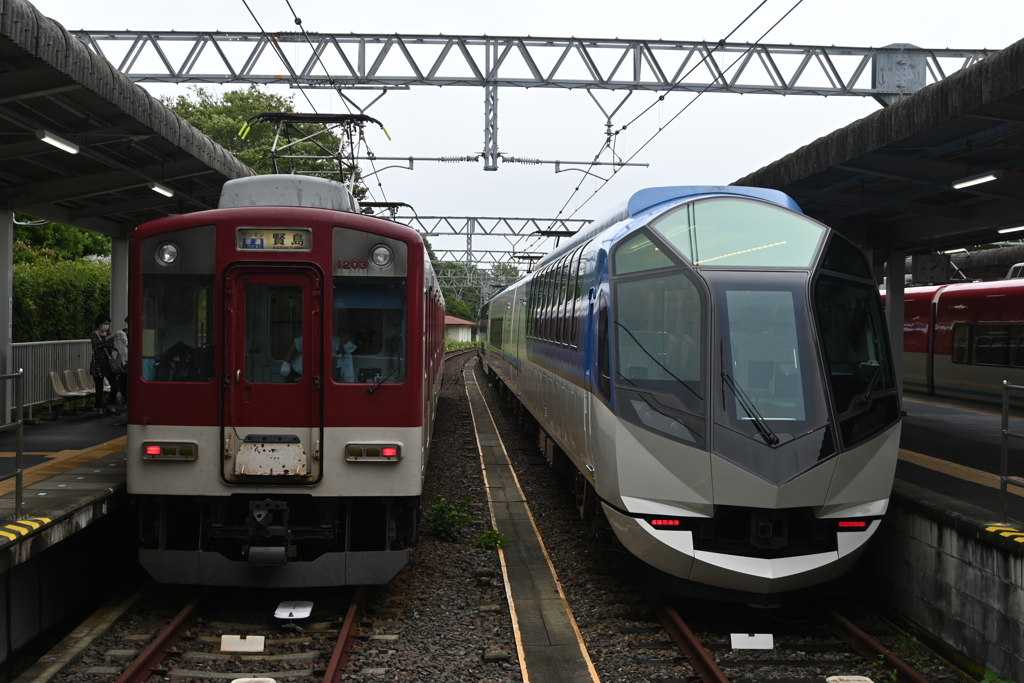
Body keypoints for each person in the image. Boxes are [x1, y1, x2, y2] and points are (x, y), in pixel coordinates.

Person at [281, 332, 356, 383]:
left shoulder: (347, 356)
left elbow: (349, 378)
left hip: (324, 382)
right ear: (345, 337)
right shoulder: (324, 338)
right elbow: (296, 344)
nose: (352, 345)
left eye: (355, 344)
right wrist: (286, 364)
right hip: (298, 375)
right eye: (351, 341)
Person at [90, 313, 122, 416]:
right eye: (105, 323)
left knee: (115, 385)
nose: (106, 326)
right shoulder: (94, 335)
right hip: (98, 363)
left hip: (108, 363)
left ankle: (110, 405)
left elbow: (114, 348)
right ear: (99, 324)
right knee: (99, 387)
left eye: (108, 324)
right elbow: (97, 346)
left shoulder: (109, 335)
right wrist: (108, 338)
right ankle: (99, 407)